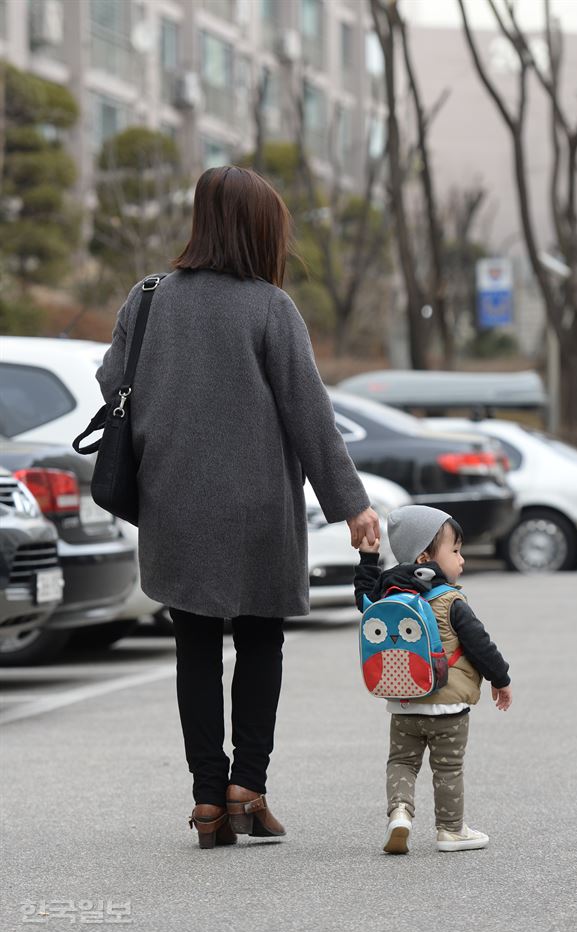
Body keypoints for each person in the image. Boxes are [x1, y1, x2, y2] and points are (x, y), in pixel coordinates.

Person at [96, 166, 379, 849]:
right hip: (257, 508)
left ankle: (205, 800)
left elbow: (111, 380)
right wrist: (353, 506)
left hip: (172, 501)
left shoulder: (150, 297)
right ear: (258, 229)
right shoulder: (270, 307)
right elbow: (311, 415)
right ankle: (246, 787)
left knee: (193, 641)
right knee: (260, 638)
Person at [354, 505, 511, 854]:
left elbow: (362, 598)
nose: (462, 560)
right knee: (448, 768)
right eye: (454, 551)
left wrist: (369, 557)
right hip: (449, 708)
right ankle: (451, 831)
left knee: (401, 762)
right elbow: (480, 644)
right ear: (426, 556)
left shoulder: (387, 596)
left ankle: (399, 813)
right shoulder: (451, 600)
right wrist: (500, 678)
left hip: (404, 703)